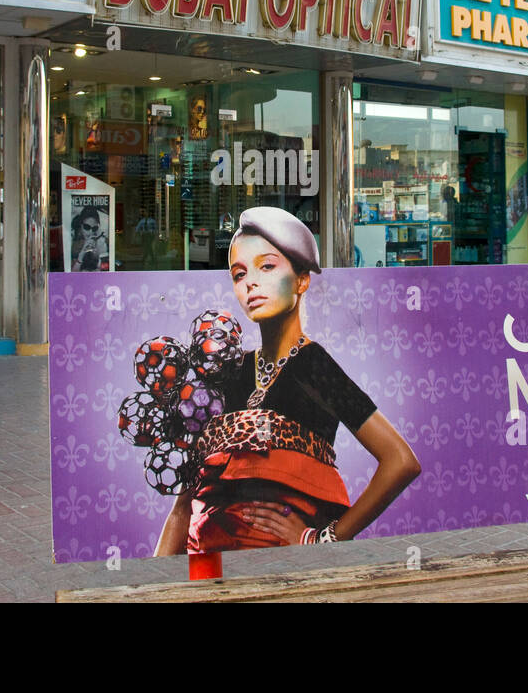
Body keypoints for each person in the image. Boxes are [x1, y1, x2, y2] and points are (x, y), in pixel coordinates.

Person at [155, 206, 420, 554]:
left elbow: (401, 461)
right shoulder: (229, 372)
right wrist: (154, 579)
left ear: (302, 279)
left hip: (282, 572)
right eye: (239, 274)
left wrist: (326, 539)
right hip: (207, 565)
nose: (250, 282)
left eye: (267, 266)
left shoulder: (313, 365)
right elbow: (184, 503)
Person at [69, 205, 109, 272]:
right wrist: (81, 256)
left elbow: (105, 270)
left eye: (94, 228)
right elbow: (71, 273)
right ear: (80, 225)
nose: (91, 232)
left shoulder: (101, 241)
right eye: (87, 227)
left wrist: (99, 257)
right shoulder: (72, 240)